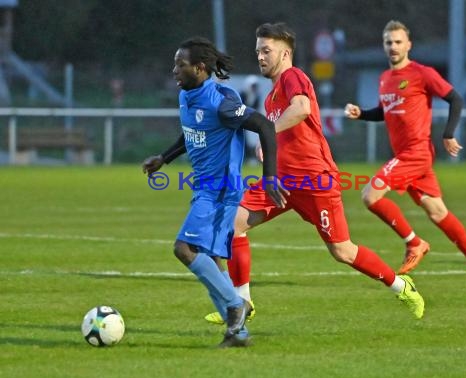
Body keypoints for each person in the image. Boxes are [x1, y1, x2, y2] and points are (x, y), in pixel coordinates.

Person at [173, 23, 424, 325]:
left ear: (286, 53)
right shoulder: (270, 97)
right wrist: (270, 147)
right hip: (282, 181)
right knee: (233, 224)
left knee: (343, 251)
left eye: (267, 51)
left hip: (315, 180)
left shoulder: (294, 77)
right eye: (258, 52)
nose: (261, 57)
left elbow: (302, 108)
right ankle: (242, 303)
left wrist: (270, 129)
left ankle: (400, 285)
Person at [141, 37, 288, 348]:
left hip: (222, 189)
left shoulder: (221, 101)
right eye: (175, 64)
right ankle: (238, 333)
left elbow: (263, 125)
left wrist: (270, 178)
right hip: (204, 187)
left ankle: (236, 305)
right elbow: (193, 130)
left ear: (200, 67)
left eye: (181, 65)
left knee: (184, 250)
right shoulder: (187, 95)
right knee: (208, 259)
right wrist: (164, 158)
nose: (174, 70)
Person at [344, 20, 466, 290]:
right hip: (406, 155)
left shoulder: (422, 73)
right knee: (437, 211)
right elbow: (385, 111)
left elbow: (455, 99)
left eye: (398, 42)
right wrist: (362, 114)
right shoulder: (384, 78)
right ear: (384, 45)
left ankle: (414, 242)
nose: (393, 47)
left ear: (408, 45)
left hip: (416, 152)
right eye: (389, 42)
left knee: (370, 194)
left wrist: (448, 133)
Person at [240, 75, 262, 164]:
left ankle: (252, 157)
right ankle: (245, 157)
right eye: (253, 86)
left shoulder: (257, 96)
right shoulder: (242, 94)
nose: (254, 88)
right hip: (240, 121)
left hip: (250, 120)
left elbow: (256, 108)